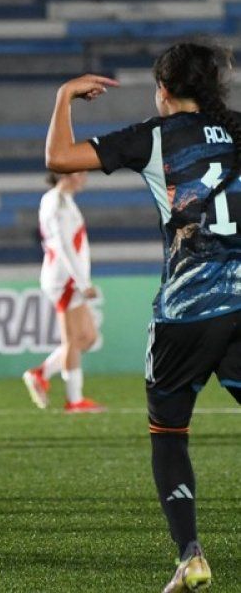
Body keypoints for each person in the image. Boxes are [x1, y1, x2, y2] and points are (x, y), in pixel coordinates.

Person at [46, 41, 241, 592]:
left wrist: (64, 97)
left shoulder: (154, 137)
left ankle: (191, 554)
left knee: (169, 434)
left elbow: (58, 159)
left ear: (163, 90)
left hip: (188, 310)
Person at [22, 171, 105, 413]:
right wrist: (81, 281)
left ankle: (41, 373)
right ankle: (74, 400)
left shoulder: (63, 200)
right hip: (64, 278)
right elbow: (63, 246)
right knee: (72, 340)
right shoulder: (55, 201)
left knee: (88, 337)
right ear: (66, 174)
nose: (85, 176)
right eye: (80, 172)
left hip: (70, 277)